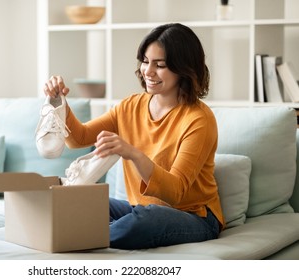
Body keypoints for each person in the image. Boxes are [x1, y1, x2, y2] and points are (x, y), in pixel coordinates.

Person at [43, 23, 225, 250]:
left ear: (184, 69)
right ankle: (69, 230)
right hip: (140, 209)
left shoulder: (198, 119)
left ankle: (73, 236)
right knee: (76, 201)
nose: (148, 71)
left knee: (146, 220)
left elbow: (175, 193)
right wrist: (60, 102)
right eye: (145, 61)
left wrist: (132, 153)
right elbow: (78, 139)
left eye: (160, 65)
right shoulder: (131, 106)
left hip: (194, 217)